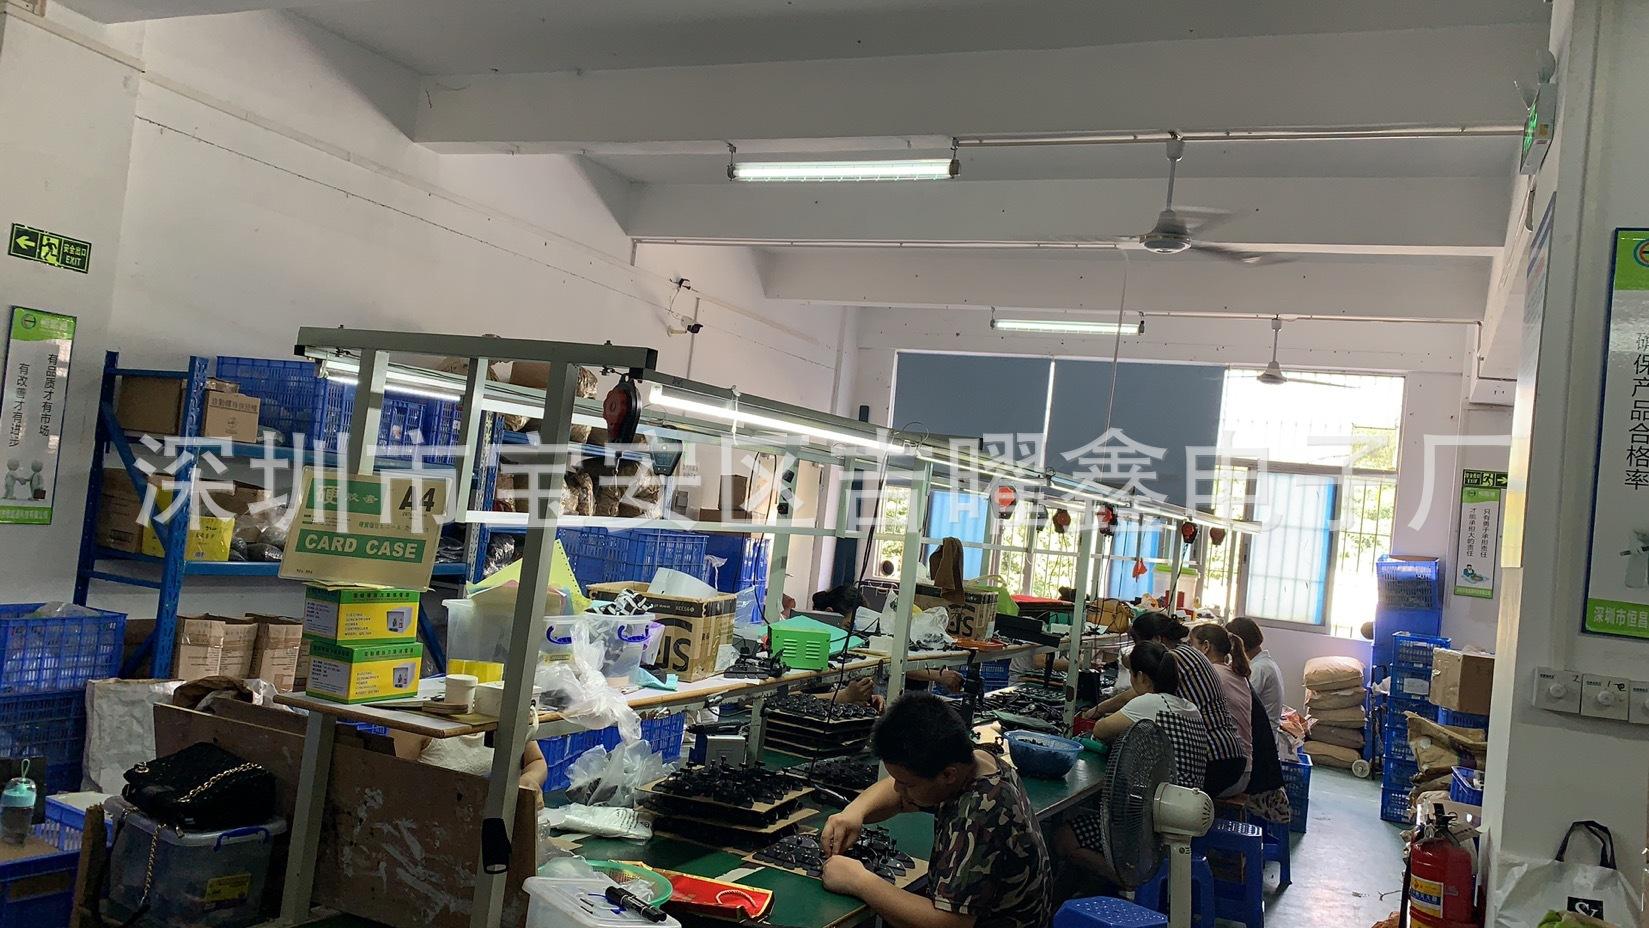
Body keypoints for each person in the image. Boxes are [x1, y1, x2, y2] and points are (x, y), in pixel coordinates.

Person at [820, 693, 1051, 928]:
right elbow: (898, 795)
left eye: (907, 784)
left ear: (948, 775)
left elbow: (949, 924)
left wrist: (860, 882)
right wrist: (854, 812)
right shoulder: (976, 761)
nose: (898, 789)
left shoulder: (977, 815)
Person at [1056, 642, 1208, 879]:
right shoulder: (1191, 708)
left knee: (1064, 837)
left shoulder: (1149, 702)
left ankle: (1131, 881)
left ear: (1141, 677)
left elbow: (1100, 729)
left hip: (1147, 826)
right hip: (1181, 817)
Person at [1084, 612, 1248, 797]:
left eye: (1140, 643)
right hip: (1226, 752)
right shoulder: (1190, 653)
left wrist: (1098, 710)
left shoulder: (1174, 659)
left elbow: (1135, 695)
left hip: (1215, 757)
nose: (1141, 650)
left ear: (1157, 639)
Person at [1190, 624, 1254, 797]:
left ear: (1205, 647)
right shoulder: (1234, 673)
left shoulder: (1209, 674)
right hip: (1244, 770)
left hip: (1229, 774)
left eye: (1191, 645)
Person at [1229, 616, 1288, 758]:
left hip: (1261, 739)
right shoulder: (1264, 663)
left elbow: (1241, 704)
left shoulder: (1259, 669)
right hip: (1263, 733)